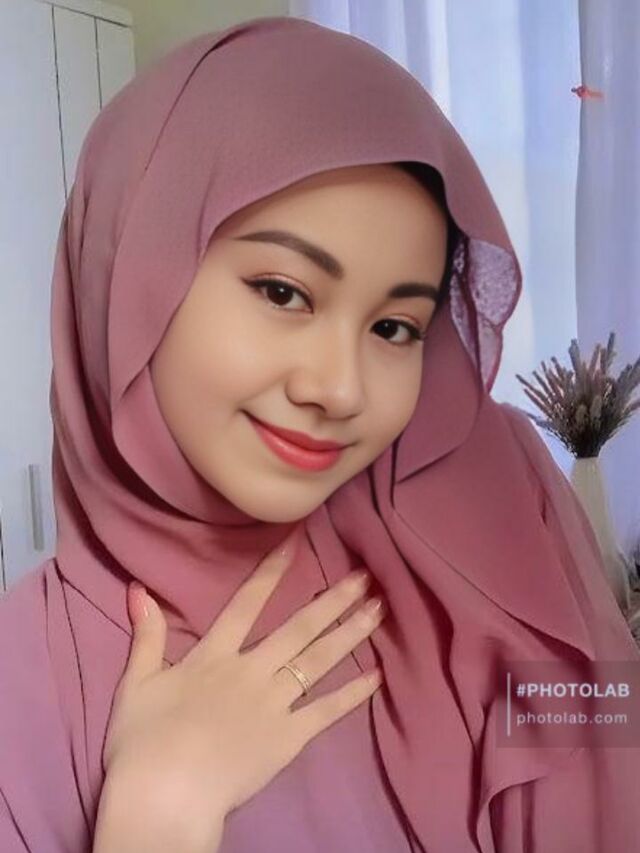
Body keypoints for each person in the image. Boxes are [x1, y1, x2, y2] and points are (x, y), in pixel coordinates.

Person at [0, 14, 638, 853]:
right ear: (131, 272)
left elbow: (611, 744)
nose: (339, 389)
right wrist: (154, 816)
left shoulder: (492, 499)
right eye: (283, 292)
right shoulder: (24, 680)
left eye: (395, 328)